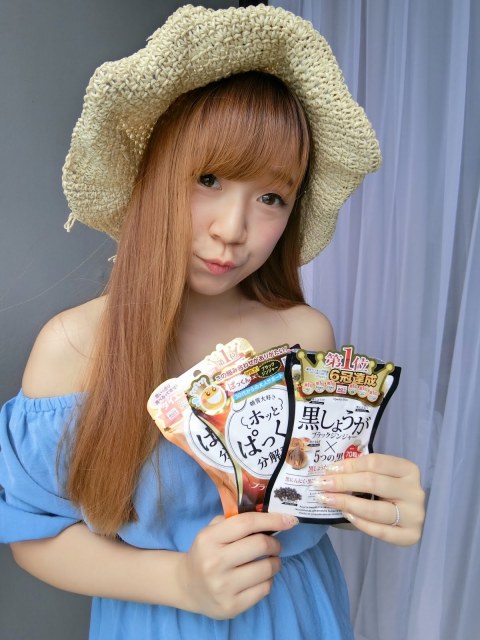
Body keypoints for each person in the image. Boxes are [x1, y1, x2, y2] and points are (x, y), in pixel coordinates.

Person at [0, 5, 425, 639]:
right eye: (208, 179)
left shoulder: (305, 335)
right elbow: (33, 536)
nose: (232, 229)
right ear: (153, 176)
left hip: (295, 614)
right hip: (158, 621)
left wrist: (377, 501)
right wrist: (181, 581)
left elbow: (311, 490)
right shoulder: (72, 346)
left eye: (271, 197)